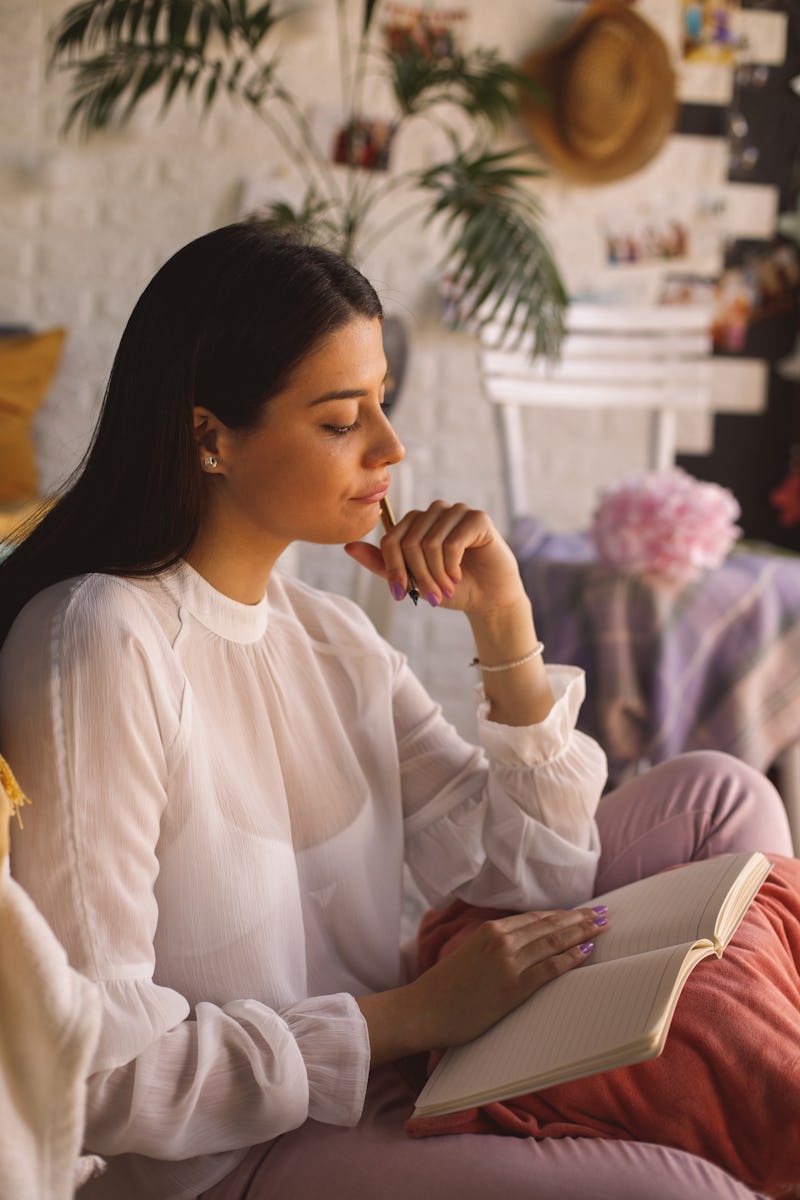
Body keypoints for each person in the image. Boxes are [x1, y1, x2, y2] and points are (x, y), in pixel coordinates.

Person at [0, 223, 792, 1200]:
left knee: (722, 798)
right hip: (241, 1158)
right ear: (209, 436)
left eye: (382, 401)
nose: (390, 446)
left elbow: (536, 875)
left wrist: (504, 626)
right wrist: (413, 1015)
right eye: (341, 419)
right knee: (687, 1193)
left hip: (409, 1062)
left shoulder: (331, 637)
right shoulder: (97, 637)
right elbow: (101, 1073)